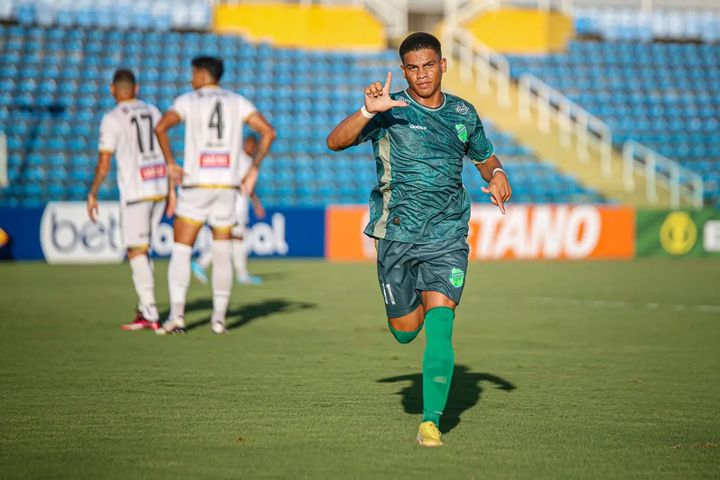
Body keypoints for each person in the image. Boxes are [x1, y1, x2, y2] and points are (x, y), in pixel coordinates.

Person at [326, 32, 512, 447]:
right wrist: (364, 111)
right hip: (396, 234)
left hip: (447, 233)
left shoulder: (463, 112)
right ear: (404, 70)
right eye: (413, 67)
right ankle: (406, 322)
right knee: (406, 331)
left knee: (441, 325)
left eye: (429, 64)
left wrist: (498, 175)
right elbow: (335, 142)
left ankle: (431, 421)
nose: (422, 74)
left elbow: (484, 157)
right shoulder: (388, 110)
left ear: (443, 65)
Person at [154, 56, 275, 335]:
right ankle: (219, 320)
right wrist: (254, 168)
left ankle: (177, 317)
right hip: (226, 188)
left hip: (196, 186)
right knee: (222, 253)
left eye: (193, 72)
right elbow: (268, 131)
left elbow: (161, 127)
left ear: (200, 73)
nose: (191, 78)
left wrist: (171, 162)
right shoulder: (237, 102)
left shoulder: (188, 100)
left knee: (182, 250)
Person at [87, 69, 173, 331]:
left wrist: (93, 192)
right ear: (136, 88)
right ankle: (145, 306)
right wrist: (172, 191)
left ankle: (149, 313)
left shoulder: (112, 119)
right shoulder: (153, 110)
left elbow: (104, 163)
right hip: (159, 186)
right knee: (142, 249)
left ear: (112, 89)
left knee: (136, 250)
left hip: (137, 191)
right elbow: (166, 148)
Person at [191, 134, 266, 286]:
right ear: (245, 143)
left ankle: (240, 272)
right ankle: (203, 263)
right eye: (249, 144)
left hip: (241, 204)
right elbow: (236, 180)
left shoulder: (249, 161)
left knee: (237, 238)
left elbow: (249, 187)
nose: (251, 148)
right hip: (233, 204)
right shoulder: (238, 159)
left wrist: (256, 204)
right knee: (230, 237)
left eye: (253, 145)